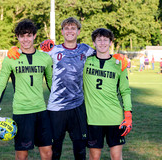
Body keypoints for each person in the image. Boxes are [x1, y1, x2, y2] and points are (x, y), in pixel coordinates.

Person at [7, 17, 127, 160]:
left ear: (78, 31)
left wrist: (117, 58)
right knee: (55, 149)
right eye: (67, 28)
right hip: (56, 107)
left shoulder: (86, 50)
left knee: (80, 149)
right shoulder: (51, 50)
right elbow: (29, 50)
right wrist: (15, 50)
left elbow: (103, 54)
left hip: (78, 106)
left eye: (73, 28)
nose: (70, 31)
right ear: (62, 32)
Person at [0, 19, 53, 160]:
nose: (26, 39)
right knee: (22, 155)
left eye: (29, 35)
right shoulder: (10, 59)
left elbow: (51, 83)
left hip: (41, 111)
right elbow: (1, 85)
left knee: (48, 152)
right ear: (17, 37)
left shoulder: (45, 58)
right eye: (22, 36)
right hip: (22, 111)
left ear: (35, 36)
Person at [83, 28, 132, 160]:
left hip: (114, 118)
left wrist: (128, 115)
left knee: (116, 157)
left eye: (106, 40)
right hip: (93, 118)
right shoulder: (85, 62)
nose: (102, 43)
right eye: (99, 40)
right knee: (94, 157)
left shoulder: (118, 64)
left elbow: (125, 91)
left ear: (111, 42)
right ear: (94, 42)